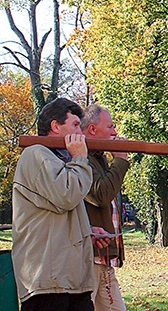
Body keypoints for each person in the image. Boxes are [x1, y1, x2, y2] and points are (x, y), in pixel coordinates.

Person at [12, 98, 109, 310]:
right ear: (55, 126)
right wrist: (80, 159)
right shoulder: (36, 154)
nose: (81, 134)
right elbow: (66, 195)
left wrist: (86, 231)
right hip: (47, 281)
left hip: (71, 281)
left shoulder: (62, 159)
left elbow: (57, 212)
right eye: (75, 125)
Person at [81, 104, 130, 311]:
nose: (114, 132)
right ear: (92, 130)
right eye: (110, 127)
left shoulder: (98, 157)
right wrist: (120, 160)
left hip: (101, 255)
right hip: (88, 254)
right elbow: (100, 195)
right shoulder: (81, 157)